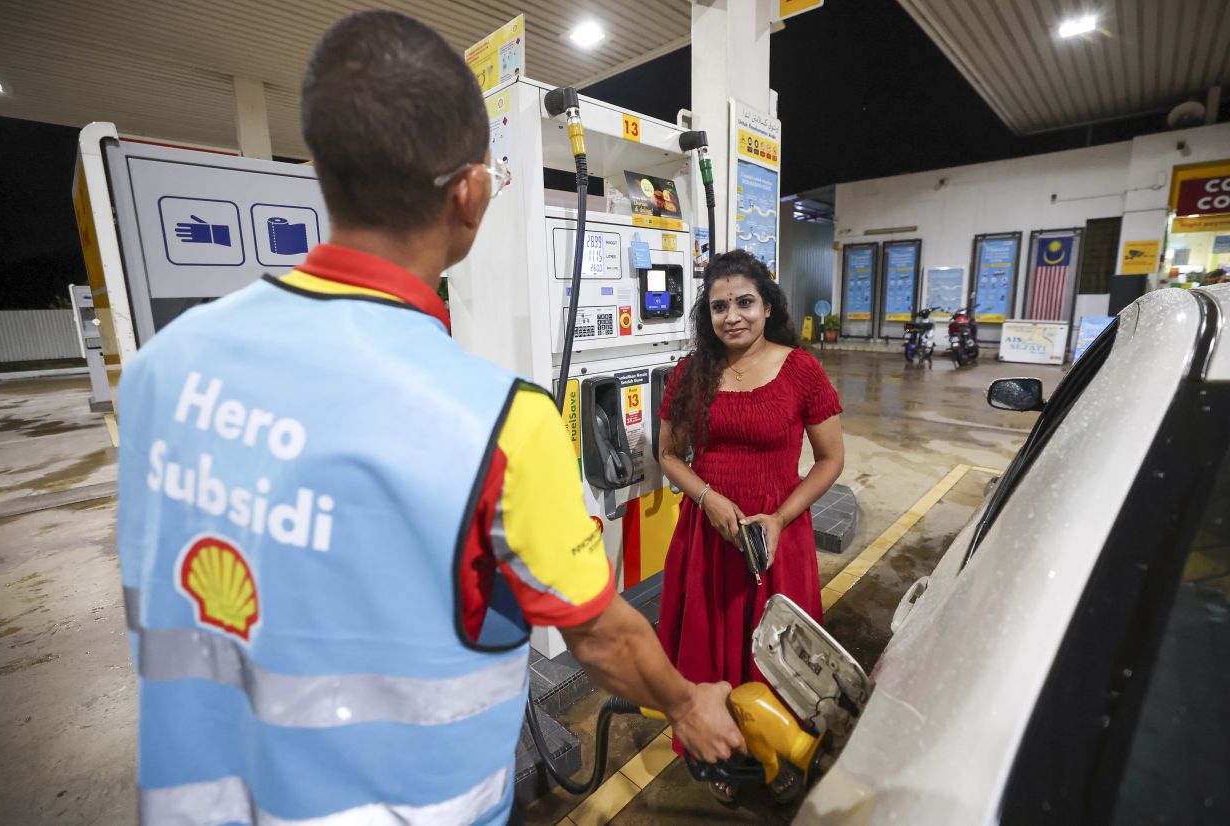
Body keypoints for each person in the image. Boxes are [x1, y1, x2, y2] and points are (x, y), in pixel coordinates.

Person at [114, 12, 743, 826]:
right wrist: (690, 704)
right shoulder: (502, 421)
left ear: (322, 172)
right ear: (471, 192)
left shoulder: (162, 368)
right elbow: (604, 640)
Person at [657, 250, 845, 696]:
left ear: (768, 307)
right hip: (708, 535)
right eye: (719, 307)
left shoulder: (802, 370)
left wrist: (779, 519)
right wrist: (709, 498)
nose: (732, 317)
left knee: (779, 661)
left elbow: (830, 460)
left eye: (745, 302)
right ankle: (716, 742)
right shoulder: (691, 372)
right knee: (708, 655)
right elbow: (667, 455)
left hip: (778, 535)